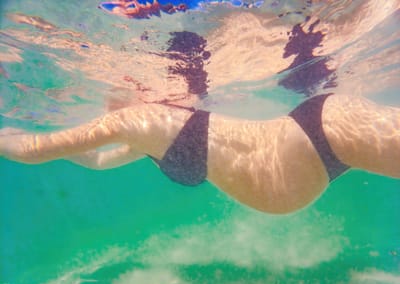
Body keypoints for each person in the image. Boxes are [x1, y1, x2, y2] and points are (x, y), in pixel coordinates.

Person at [1, 3, 399, 214]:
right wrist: (81, 151)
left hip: (304, 149)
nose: (109, 100)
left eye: (119, 89)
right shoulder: (144, 126)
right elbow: (100, 161)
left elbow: (35, 151)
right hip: (309, 139)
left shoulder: (136, 120)